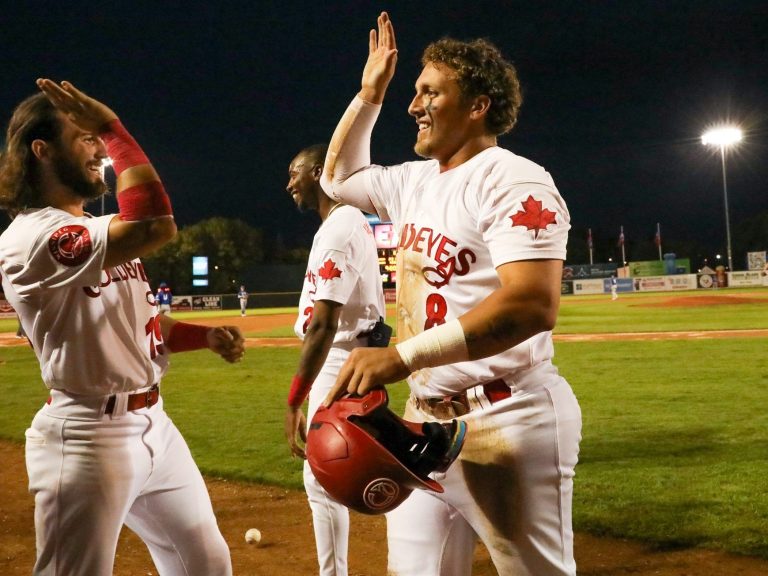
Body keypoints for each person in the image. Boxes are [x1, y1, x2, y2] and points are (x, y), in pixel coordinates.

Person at [320, 13, 582, 576]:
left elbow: (532, 304)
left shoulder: (513, 179)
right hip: (423, 424)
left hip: (509, 417)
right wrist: (370, 94)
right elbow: (336, 179)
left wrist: (401, 356)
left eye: (430, 91)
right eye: (413, 92)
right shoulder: (414, 181)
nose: (414, 105)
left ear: (478, 105)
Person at [0, 79, 244, 576]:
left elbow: (143, 322)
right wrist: (112, 127)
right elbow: (156, 224)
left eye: (95, 136)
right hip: (89, 437)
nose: (95, 146)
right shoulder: (32, 237)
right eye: (82, 135)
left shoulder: (91, 230)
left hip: (156, 424)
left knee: (207, 562)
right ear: (41, 150)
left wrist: (204, 336)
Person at [284, 143, 388, 576]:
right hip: (349, 353)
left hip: (340, 357)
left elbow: (324, 325)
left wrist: (294, 399)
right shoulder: (341, 223)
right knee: (346, 466)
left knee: (323, 474)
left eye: (295, 173)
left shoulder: (340, 227)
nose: (290, 183)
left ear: (318, 173)